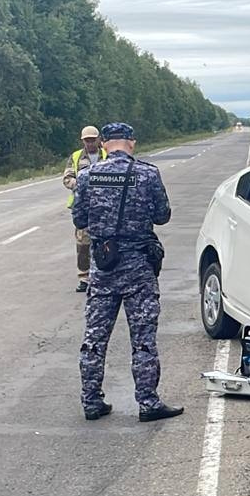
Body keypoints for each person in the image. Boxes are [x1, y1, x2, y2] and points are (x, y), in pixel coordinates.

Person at [72, 122, 183, 422]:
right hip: (138, 269)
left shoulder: (86, 176)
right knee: (143, 339)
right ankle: (148, 403)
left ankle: (91, 401)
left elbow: (79, 218)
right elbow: (162, 216)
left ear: (105, 143)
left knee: (95, 337)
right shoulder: (147, 174)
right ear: (132, 142)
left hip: (103, 267)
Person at [63, 126, 108, 292]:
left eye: (92, 139)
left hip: (106, 205)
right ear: (82, 141)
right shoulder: (76, 157)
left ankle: (104, 274)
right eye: (86, 140)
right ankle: (84, 277)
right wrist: (81, 185)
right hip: (83, 206)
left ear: (98, 139)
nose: (90, 143)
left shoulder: (107, 155)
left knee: (105, 240)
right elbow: (67, 178)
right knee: (83, 243)